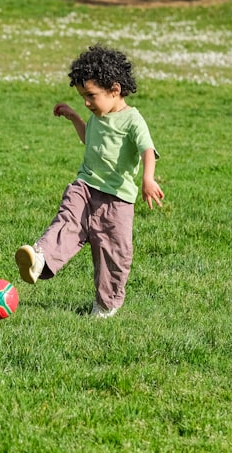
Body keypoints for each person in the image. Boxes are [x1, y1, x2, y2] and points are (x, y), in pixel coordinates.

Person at [15, 44, 164, 318]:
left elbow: (147, 150)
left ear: (115, 90)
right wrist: (74, 117)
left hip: (117, 200)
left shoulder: (132, 120)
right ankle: (39, 259)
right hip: (85, 186)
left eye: (91, 96)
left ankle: (106, 305)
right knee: (67, 221)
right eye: (83, 96)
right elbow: (89, 140)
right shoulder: (97, 115)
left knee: (113, 254)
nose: (86, 102)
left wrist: (148, 179)